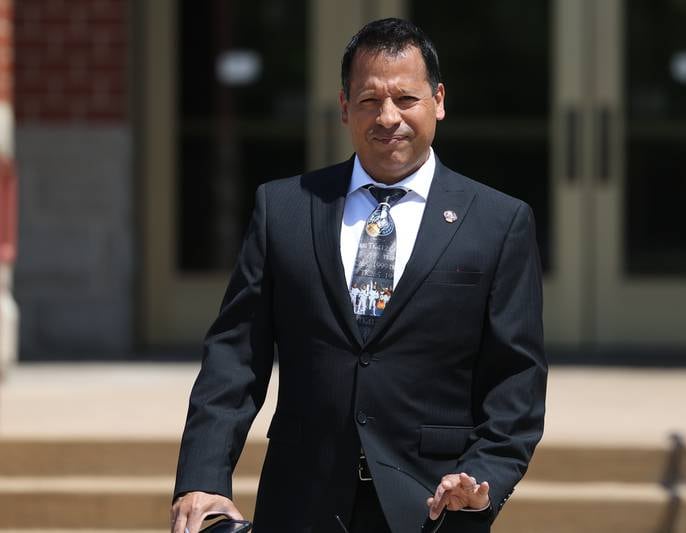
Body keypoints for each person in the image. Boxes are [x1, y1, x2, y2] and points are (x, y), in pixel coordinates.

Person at [170, 18, 546, 533]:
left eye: (406, 99)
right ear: (345, 106)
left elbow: (516, 383)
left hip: (432, 507)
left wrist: (482, 477)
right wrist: (204, 476)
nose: (388, 117)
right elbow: (235, 357)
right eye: (369, 100)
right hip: (302, 501)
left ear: (438, 100)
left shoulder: (498, 222)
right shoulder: (284, 208)